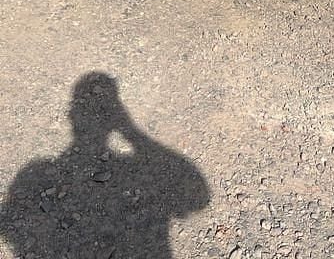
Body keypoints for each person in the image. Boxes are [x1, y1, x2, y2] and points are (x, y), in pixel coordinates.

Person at [0, 72, 209, 258]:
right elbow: (199, 197)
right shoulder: (40, 170)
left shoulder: (37, 170)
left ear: (71, 115)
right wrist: (130, 132)